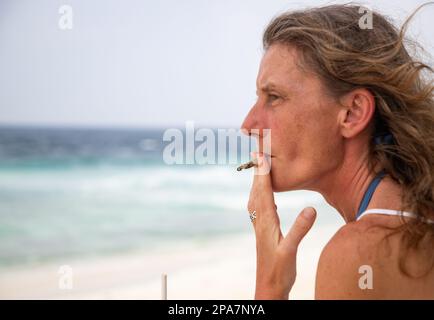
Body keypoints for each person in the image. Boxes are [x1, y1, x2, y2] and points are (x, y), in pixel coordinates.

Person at [241, 4, 434, 299]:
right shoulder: (416, 222)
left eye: (275, 97)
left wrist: (270, 285)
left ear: (352, 113)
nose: (249, 125)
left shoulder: (357, 255)